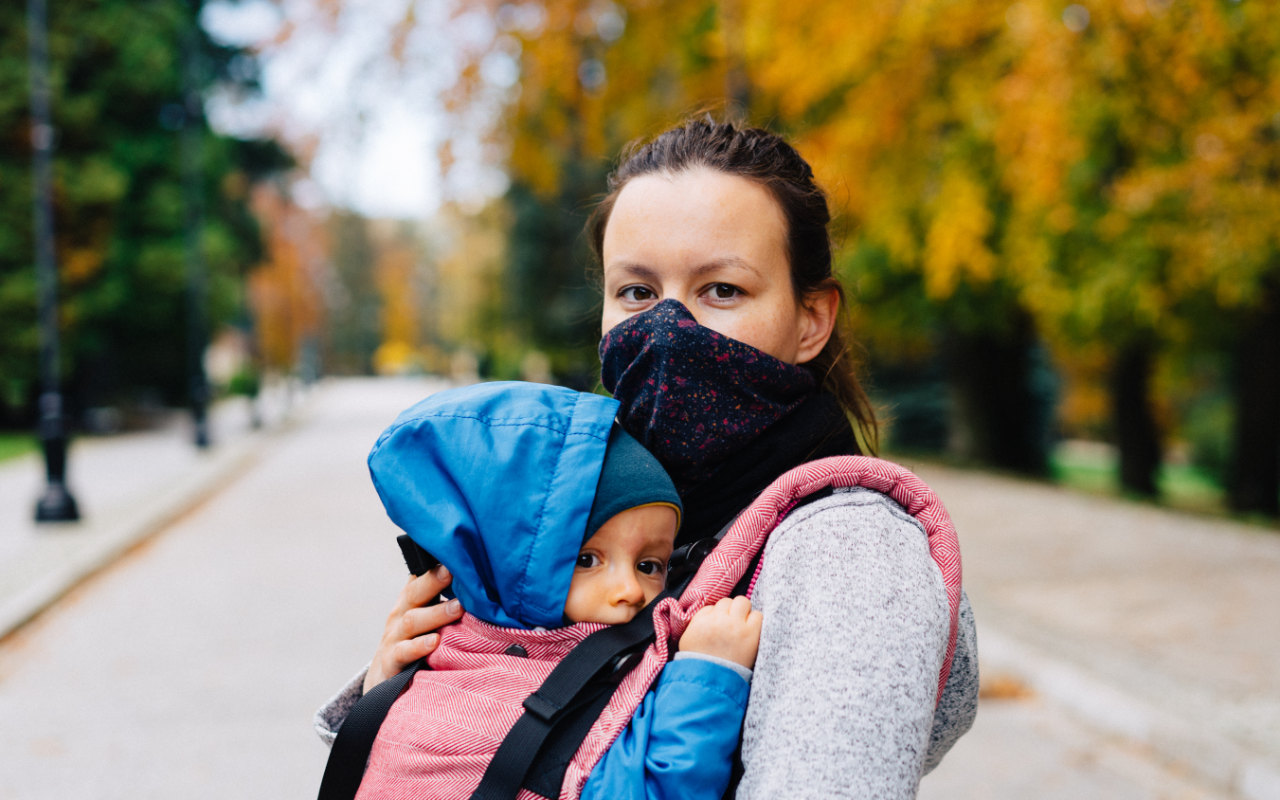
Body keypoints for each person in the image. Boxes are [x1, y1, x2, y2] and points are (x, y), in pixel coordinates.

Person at [319, 118, 979, 798]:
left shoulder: (848, 552)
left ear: (812, 319)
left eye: (721, 290)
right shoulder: (597, 505)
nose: (667, 330)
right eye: (636, 292)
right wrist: (411, 689)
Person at [333, 381, 762, 799]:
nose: (630, 589)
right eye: (587, 559)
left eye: (649, 565)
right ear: (506, 562)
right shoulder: (454, 694)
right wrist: (710, 674)